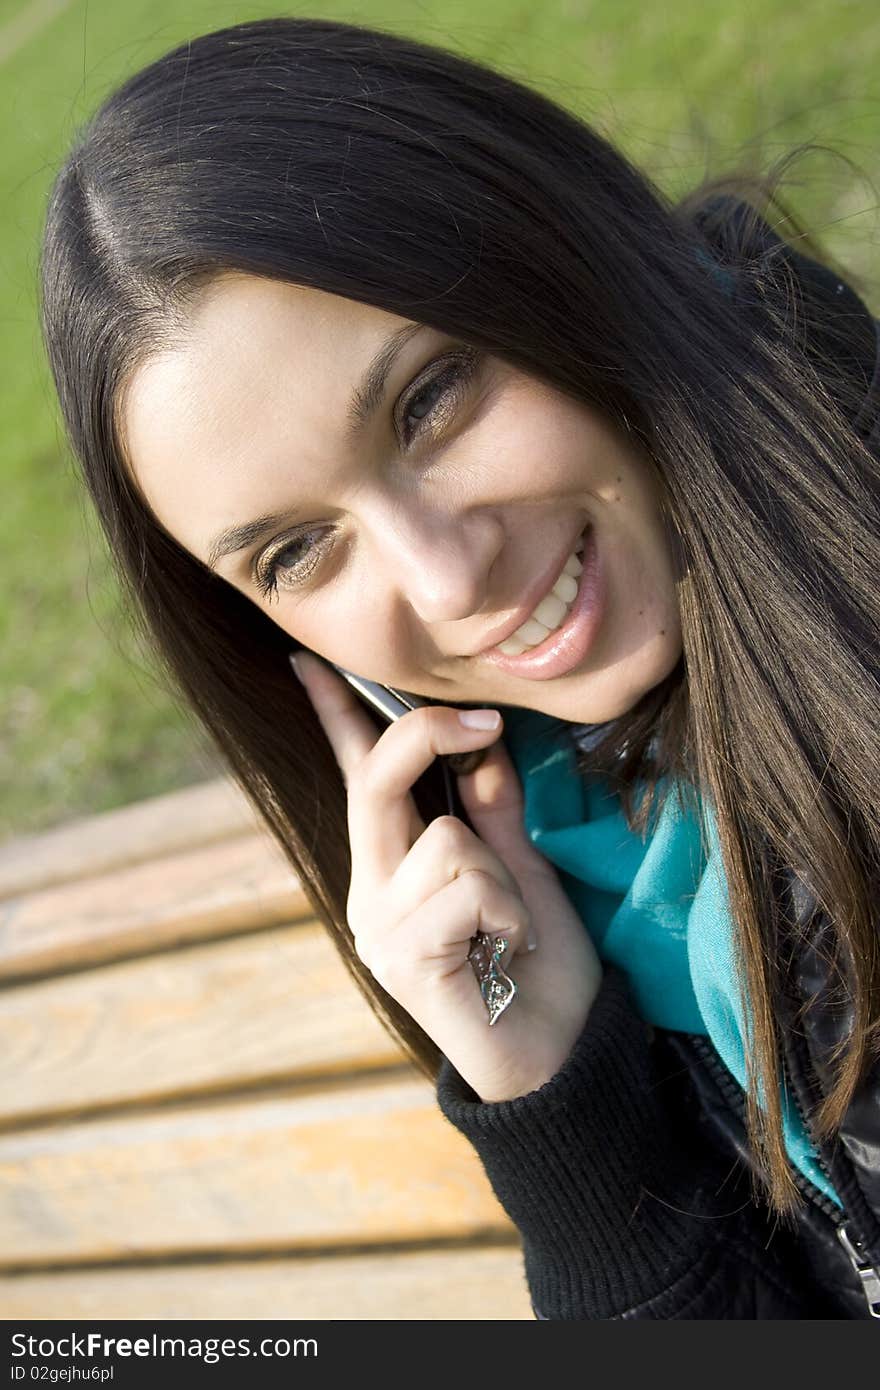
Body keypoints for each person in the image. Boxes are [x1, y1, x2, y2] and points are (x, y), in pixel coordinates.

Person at [38, 15, 880, 1319]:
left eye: (431, 399)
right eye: (298, 550)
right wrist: (555, 1096)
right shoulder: (567, 846)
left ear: (552, 251)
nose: (445, 579)